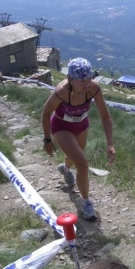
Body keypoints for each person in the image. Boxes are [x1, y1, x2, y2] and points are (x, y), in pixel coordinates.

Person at [41, 57, 116, 220]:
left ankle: (65, 169)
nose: (86, 83)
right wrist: (47, 140)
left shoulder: (94, 89)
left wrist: (110, 143)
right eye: (82, 80)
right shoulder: (61, 91)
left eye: (89, 78)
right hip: (61, 126)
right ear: (70, 79)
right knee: (82, 164)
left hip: (82, 125)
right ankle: (86, 202)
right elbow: (46, 113)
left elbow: (105, 117)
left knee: (75, 156)